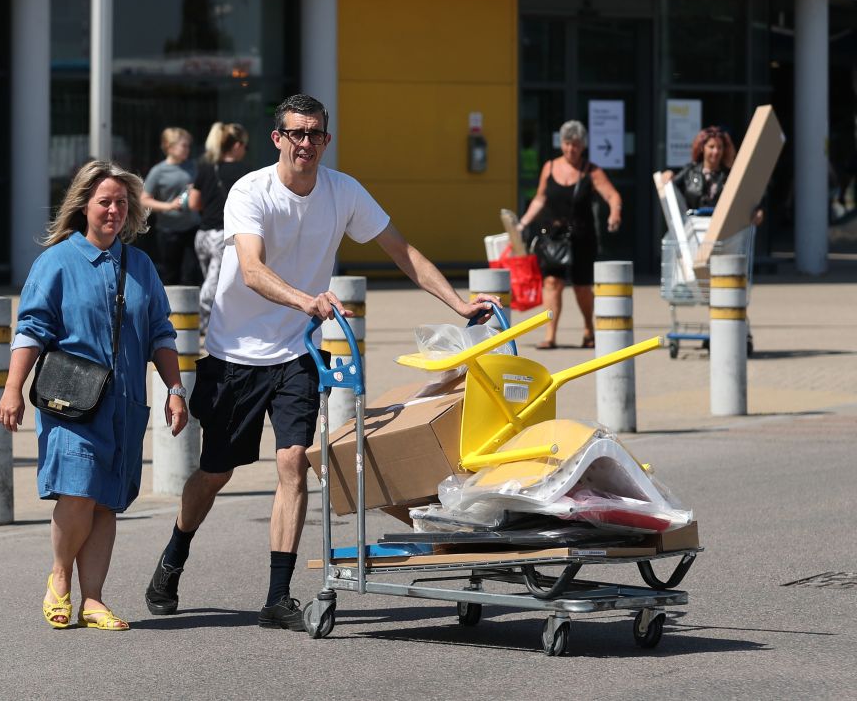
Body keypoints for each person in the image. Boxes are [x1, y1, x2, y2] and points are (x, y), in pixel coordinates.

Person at [144, 93, 501, 630]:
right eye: (296, 134)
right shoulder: (250, 190)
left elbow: (402, 251)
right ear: (278, 139)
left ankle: (277, 597)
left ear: (326, 140)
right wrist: (306, 300)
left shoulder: (343, 191)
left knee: (293, 463)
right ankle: (174, 556)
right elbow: (251, 269)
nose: (306, 143)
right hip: (234, 354)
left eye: (315, 134)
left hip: (295, 352)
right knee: (215, 472)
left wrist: (458, 303)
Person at [0, 160, 189, 631]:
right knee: (79, 492)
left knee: (106, 501)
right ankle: (59, 578)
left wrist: (176, 389)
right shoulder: (57, 261)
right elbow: (32, 330)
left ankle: (94, 599)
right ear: (84, 205)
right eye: (105, 201)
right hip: (72, 403)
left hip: (125, 404)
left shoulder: (139, 264)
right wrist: (12, 389)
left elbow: (161, 333)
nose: (114, 210)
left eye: (122, 203)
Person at [517, 120, 622, 349]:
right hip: (553, 237)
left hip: (581, 238)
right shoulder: (550, 167)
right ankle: (550, 334)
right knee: (552, 283)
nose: (570, 149)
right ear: (561, 144)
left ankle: (588, 328)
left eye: (575, 145)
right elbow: (540, 198)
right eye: (567, 144)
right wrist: (523, 222)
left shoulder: (591, 171)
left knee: (582, 287)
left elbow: (613, 196)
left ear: (582, 146)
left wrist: (614, 213)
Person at [189, 122, 250, 331]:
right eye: (245, 146)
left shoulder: (207, 168)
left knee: (213, 282)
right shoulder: (245, 172)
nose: (245, 151)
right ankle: (199, 324)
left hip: (203, 235)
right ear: (237, 145)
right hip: (224, 236)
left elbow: (193, 203)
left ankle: (213, 323)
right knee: (215, 285)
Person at [660, 125, 764, 224]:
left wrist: (757, 211)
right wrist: (668, 175)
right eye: (711, 147)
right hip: (693, 231)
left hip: (721, 232)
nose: (716, 151)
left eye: (720, 147)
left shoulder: (730, 175)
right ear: (702, 148)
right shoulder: (689, 171)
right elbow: (670, 189)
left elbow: (747, 199)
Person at [141, 127, 199, 285]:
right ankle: (171, 309)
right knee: (170, 273)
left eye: (188, 146)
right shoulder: (159, 171)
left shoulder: (193, 166)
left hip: (192, 227)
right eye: (184, 145)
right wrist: (169, 206)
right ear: (170, 147)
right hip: (168, 230)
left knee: (191, 273)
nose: (187, 149)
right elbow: (144, 200)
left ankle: (191, 309)